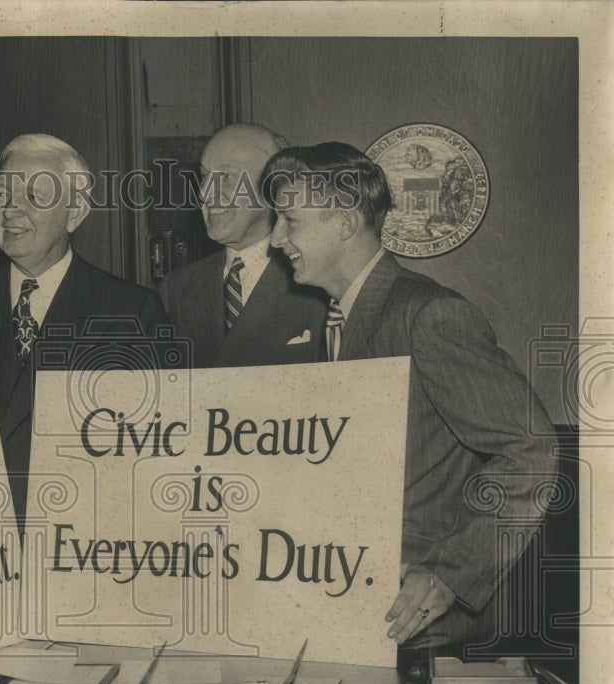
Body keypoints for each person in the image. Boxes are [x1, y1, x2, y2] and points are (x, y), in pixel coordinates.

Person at [264, 141, 557, 648]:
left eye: (289, 220)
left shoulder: (429, 316)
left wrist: (449, 574)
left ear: (346, 222)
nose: (274, 238)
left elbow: (532, 448)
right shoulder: (332, 320)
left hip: (415, 621)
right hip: (347, 598)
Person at [0, 134, 168, 526]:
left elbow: (149, 464)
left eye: (35, 196)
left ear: (75, 212)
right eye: (1, 195)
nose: (11, 210)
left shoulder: (132, 313)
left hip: (76, 549)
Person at [158, 123, 327, 368]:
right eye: (204, 176)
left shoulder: (320, 286)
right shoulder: (173, 290)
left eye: (225, 177)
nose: (204, 193)